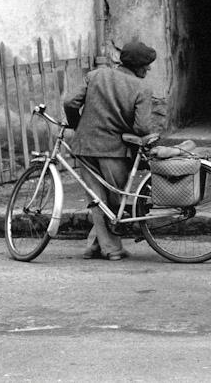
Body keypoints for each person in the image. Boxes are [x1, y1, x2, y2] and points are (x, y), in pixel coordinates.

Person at [63, 41, 157, 260]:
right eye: (146, 64)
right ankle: (112, 250)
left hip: (85, 146)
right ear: (137, 66)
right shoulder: (141, 88)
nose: (149, 68)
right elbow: (142, 127)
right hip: (115, 150)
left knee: (97, 199)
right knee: (115, 201)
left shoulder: (95, 75)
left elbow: (70, 102)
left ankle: (95, 246)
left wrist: (77, 125)